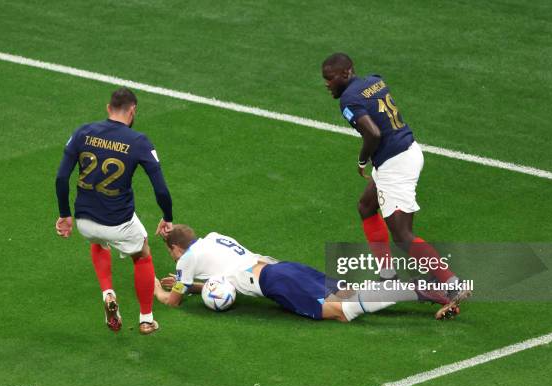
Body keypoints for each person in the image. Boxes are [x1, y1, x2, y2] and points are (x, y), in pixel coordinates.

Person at [321, 53, 470, 311]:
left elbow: (373, 133)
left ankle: (451, 282)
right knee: (366, 206)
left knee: (402, 235)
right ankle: (387, 276)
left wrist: (362, 160)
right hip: (407, 151)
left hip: (395, 164)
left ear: (346, 73)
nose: (327, 84)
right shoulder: (374, 80)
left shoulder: (348, 99)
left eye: (330, 78)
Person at [154, 225, 457, 322]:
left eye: (171, 252)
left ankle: (413, 288)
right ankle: (434, 293)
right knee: (349, 294)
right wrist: (193, 286)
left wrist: (156, 288)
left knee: (341, 312)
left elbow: (172, 302)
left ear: (176, 249)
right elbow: (222, 275)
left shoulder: (185, 260)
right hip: (282, 268)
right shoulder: (213, 237)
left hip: (274, 283)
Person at [55, 87, 173, 335]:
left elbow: (61, 177)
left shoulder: (83, 132)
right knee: (142, 255)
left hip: (85, 221)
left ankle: (108, 293)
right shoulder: (139, 141)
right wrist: (167, 217)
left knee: (99, 242)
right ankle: (146, 319)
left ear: (108, 108)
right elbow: (161, 189)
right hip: (119, 223)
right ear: (133, 111)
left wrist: (65, 214)